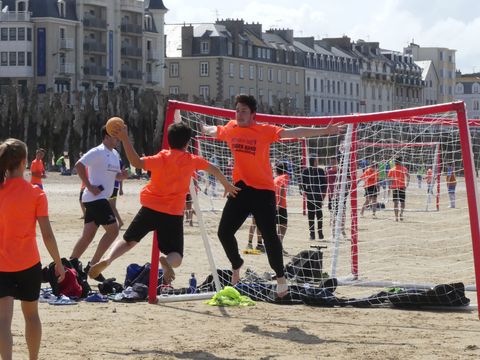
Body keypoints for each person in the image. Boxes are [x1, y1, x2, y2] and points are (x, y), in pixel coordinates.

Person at [203, 94, 343, 297]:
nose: (239, 114)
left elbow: (295, 132)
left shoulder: (264, 130)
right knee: (224, 232)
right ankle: (237, 264)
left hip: (263, 192)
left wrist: (324, 130)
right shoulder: (230, 127)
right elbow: (213, 130)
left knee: (270, 237)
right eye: (237, 110)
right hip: (240, 189)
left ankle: (281, 279)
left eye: (244, 111)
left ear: (253, 114)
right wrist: (202, 128)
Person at [88, 122, 239, 284]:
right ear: (188, 143)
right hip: (172, 213)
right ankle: (167, 261)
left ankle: (109, 259)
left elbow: (136, 162)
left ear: (169, 140)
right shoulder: (192, 160)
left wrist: (125, 139)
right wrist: (227, 185)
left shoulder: (162, 157)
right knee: (177, 256)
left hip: (150, 208)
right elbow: (214, 168)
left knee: (128, 241)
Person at [0, 138, 65, 360]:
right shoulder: (36, 193)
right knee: (31, 316)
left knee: (3, 320)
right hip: (28, 263)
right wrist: (58, 263)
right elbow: (47, 235)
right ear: (25, 162)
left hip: (2, 264)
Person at [69, 125, 128, 281]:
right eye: (115, 136)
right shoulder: (98, 151)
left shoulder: (115, 154)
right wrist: (89, 186)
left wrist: (122, 176)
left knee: (88, 235)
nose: (117, 139)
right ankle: (93, 265)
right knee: (113, 230)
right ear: (106, 136)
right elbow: (79, 165)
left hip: (99, 199)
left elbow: (114, 176)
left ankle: (71, 263)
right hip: (95, 198)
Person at [300, 157, 327, 240]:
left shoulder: (321, 171)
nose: (317, 162)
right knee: (311, 215)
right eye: (316, 161)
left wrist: (323, 194)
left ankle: (320, 233)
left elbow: (324, 184)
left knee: (319, 215)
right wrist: (303, 191)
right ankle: (312, 234)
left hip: (318, 196)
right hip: (310, 196)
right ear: (313, 161)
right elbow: (302, 183)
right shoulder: (305, 171)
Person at [387, 157, 410, 222]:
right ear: (401, 161)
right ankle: (401, 214)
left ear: (395, 162)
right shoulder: (403, 169)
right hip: (401, 187)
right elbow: (408, 176)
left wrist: (390, 185)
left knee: (396, 203)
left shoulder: (392, 169)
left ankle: (396, 217)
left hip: (395, 188)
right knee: (402, 202)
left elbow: (389, 179)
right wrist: (407, 184)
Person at [274, 161, 289, 252]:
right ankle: (279, 246)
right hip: (281, 206)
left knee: (278, 226)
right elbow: (283, 188)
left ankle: (278, 246)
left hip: (273, 205)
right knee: (283, 226)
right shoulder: (285, 176)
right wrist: (279, 203)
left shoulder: (275, 179)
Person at [108, 159, 125, 229]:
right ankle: (114, 222)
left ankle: (119, 222)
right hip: (114, 186)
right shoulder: (120, 161)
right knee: (110, 206)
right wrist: (120, 188)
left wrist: (121, 189)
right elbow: (121, 176)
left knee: (111, 206)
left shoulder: (113, 161)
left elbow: (121, 175)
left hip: (112, 186)